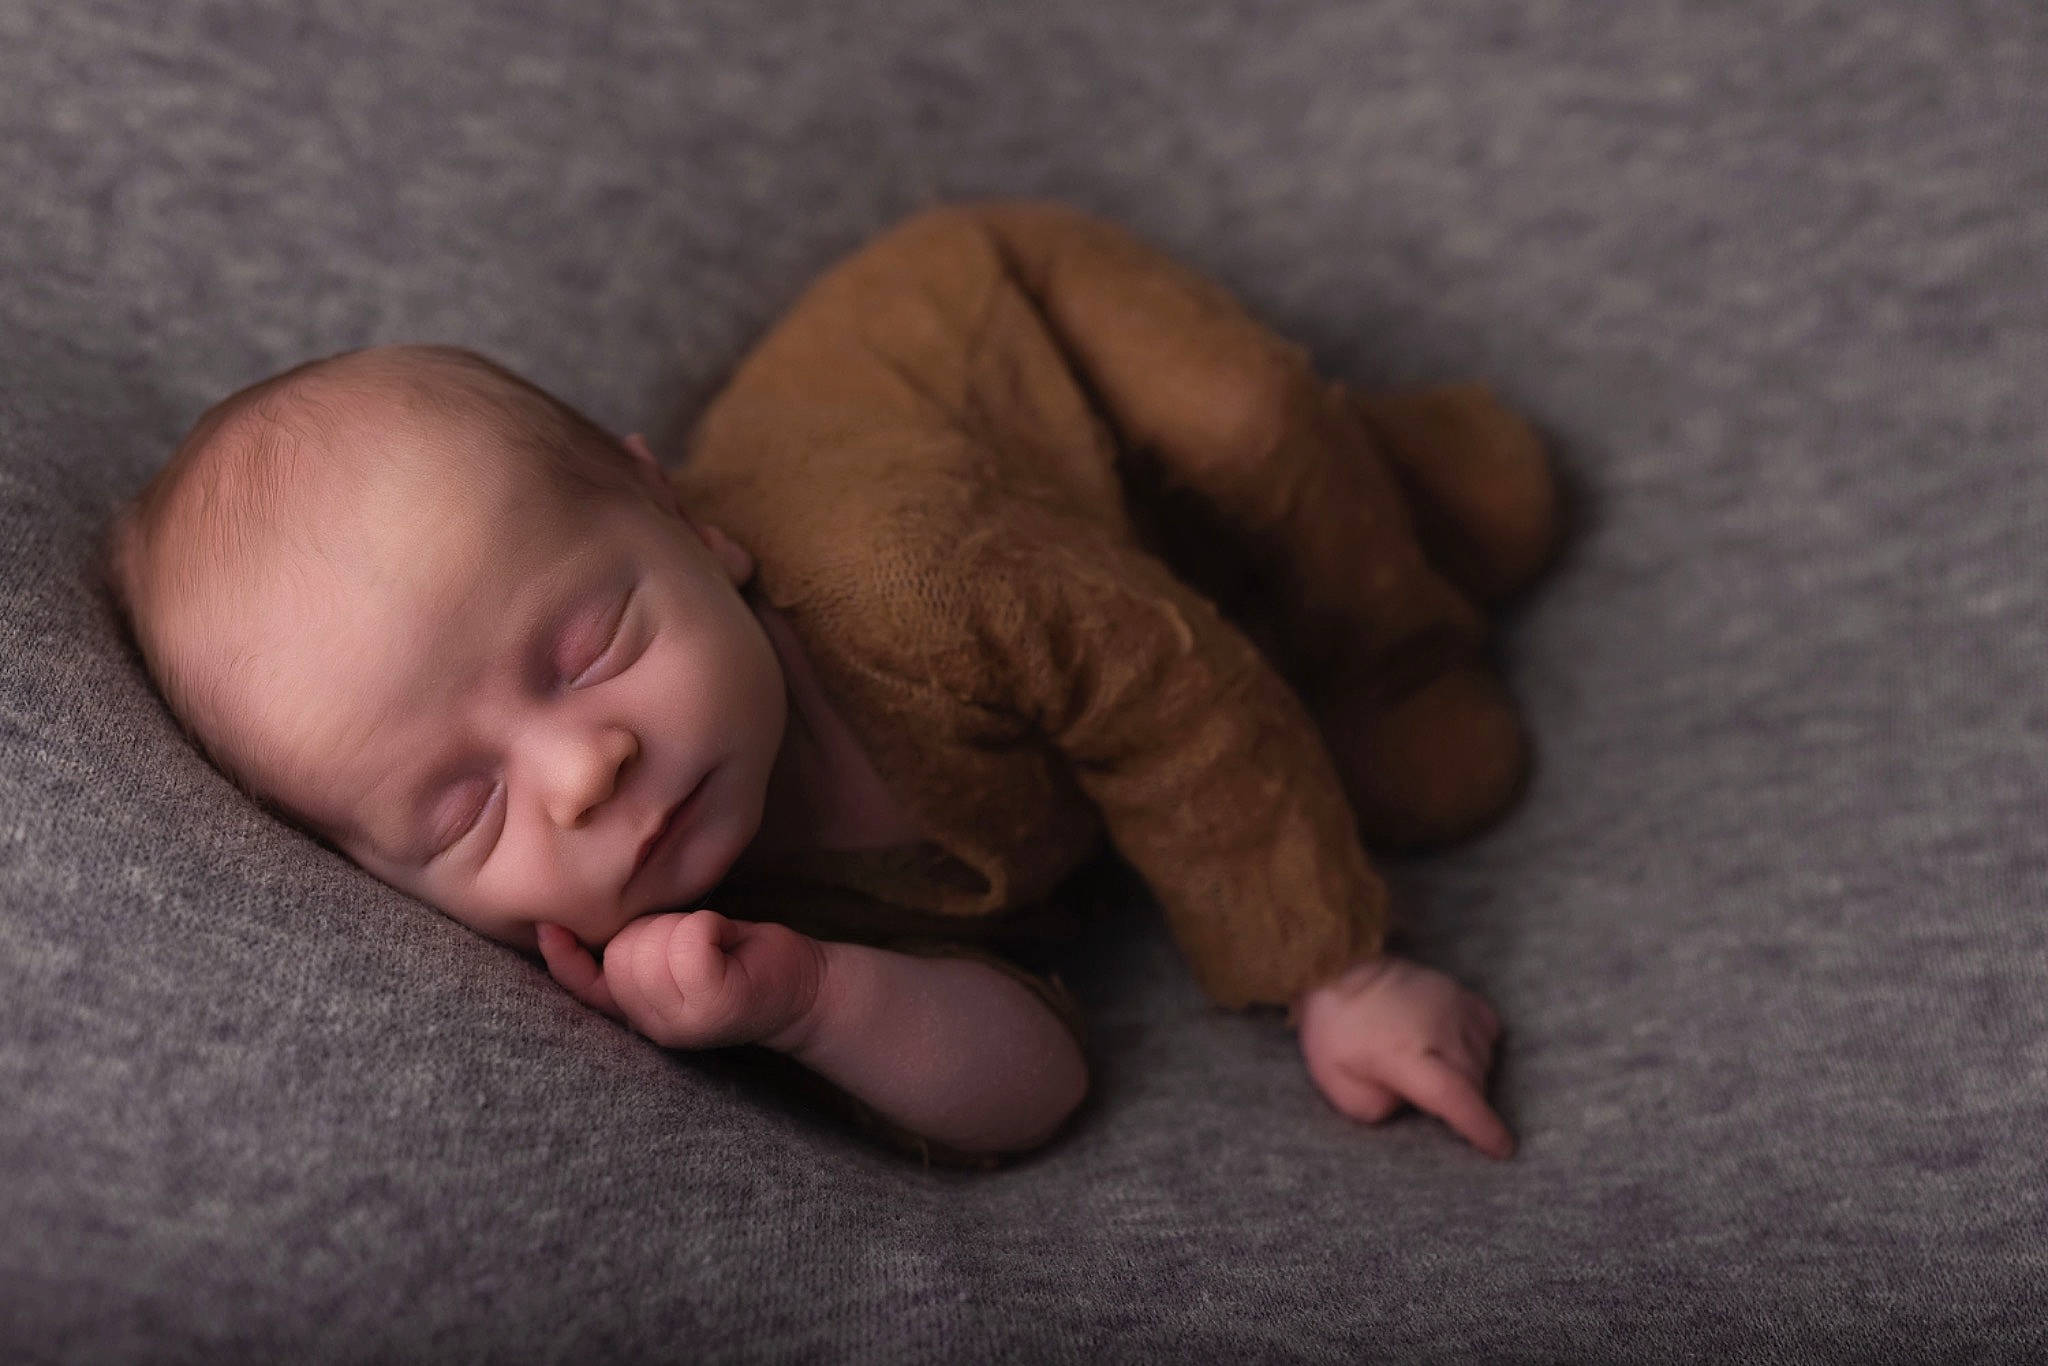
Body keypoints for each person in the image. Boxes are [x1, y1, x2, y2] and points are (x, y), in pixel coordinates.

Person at [102, 201, 1561, 1169]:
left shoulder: (911, 582)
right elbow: (1039, 1089)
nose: (582, 772)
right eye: (466, 808)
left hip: (1016, 334)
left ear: (688, 522)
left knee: (1246, 435)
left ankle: (1396, 640)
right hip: (1063, 570)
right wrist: (814, 1003)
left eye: (589, 648)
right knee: (1227, 542)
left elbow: (1170, 691)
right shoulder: (699, 931)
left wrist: (1343, 967)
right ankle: (1419, 486)